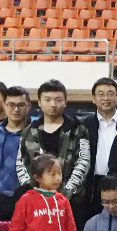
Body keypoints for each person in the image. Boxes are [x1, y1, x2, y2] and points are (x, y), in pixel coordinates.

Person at [14, 79, 91, 208]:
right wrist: (33, 192)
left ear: (65, 102)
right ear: (39, 102)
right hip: (36, 201)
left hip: (70, 202)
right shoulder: (29, 130)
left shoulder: (77, 129)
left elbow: (83, 163)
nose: (53, 104)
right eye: (47, 100)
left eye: (58, 100)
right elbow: (21, 163)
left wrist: (65, 194)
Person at [81, 76, 117, 224]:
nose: (106, 98)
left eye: (110, 94)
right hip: (92, 185)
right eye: (101, 94)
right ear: (93, 99)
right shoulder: (83, 125)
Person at [0, 86, 30, 221]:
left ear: (29, 106)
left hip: (29, 198)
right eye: (11, 105)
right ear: (4, 105)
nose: (16, 109)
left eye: (21, 105)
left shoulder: (37, 133)